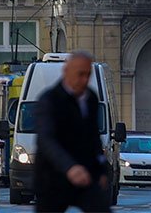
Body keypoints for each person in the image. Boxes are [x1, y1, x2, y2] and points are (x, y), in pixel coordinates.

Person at [33, 52, 109, 213]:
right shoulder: (49, 100)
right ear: (66, 71)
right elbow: (46, 140)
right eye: (80, 74)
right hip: (52, 176)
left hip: (85, 175)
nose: (84, 80)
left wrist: (101, 171)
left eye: (88, 75)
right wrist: (70, 167)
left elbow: (94, 138)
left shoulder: (91, 99)